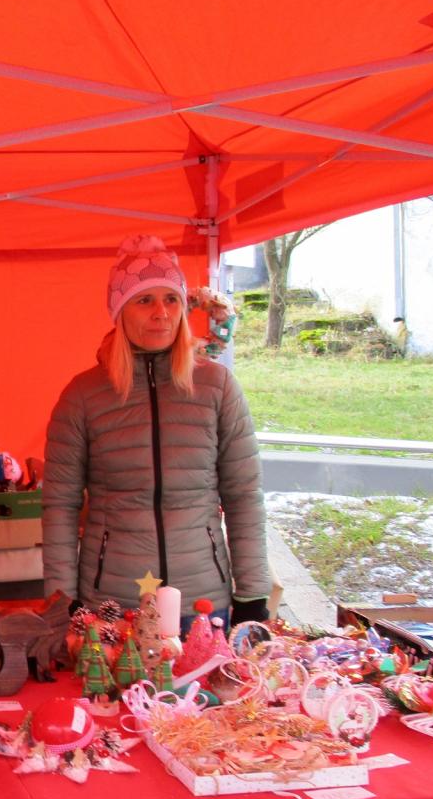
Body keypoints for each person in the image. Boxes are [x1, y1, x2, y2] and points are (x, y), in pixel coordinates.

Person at [42, 234, 270, 632]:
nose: (161, 313)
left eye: (171, 299)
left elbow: (244, 495)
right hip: (113, 604)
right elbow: (59, 505)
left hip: (202, 603)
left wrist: (252, 596)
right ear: (120, 311)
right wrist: (63, 599)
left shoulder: (217, 387)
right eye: (144, 300)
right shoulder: (83, 396)